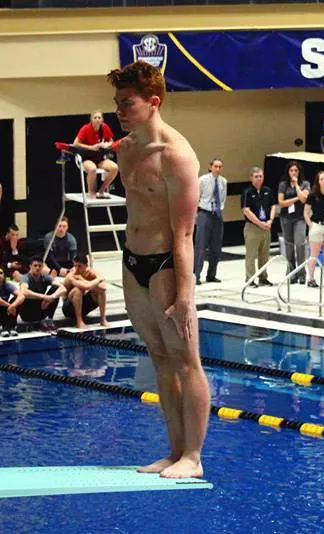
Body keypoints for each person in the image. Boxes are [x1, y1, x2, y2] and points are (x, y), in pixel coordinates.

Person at [109, 60, 209, 478]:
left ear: (153, 102)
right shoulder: (125, 148)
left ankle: (194, 457)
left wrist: (185, 298)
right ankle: (173, 452)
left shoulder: (178, 156)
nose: (119, 110)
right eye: (116, 103)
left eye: (126, 103)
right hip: (132, 262)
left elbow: (183, 236)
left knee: (187, 360)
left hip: (167, 264)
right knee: (159, 358)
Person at [193, 157, 227, 285]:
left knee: (216, 247)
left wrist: (219, 209)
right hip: (204, 213)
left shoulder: (223, 181)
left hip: (217, 214)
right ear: (210, 167)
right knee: (201, 246)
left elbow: (222, 198)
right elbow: (196, 196)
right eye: (216, 166)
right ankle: (196, 275)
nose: (218, 169)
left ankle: (211, 274)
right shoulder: (202, 180)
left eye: (220, 166)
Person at [240, 166, 274, 288]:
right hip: (253, 227)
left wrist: (270, 220)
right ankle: (250, 278)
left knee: (264, 254)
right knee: (251, 254)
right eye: (256, 177)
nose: (259, 179)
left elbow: (273, 206)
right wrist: (259, 223)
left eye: (260, 176)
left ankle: (263, 277)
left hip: (266, 226)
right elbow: (246, 210)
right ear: (251, 178)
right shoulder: (247, 192)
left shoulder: (267, 190)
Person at [277, 161, 310, 284]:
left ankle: (302, 272)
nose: (294, 173)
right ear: (288, 172)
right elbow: (281, 202)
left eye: (296, 170)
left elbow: (304, 199)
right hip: (286, 217)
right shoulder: (283, 185)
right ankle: (291, 272)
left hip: (300, 218)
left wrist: (296, 186)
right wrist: (296, 198)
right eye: (291, 171)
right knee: (289, 245)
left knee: (300, 243)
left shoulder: (305, 184)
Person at [73, 110, 118, 199]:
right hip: (86, 158)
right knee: (92, 169)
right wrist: (91, 147)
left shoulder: (105, 127)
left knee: (114, 168)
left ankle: (102, 189)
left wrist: (106, 144)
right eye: (95, 118)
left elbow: (111, 141)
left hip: (100, 158)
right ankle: (91, 192)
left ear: (102, 120)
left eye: (99, 117)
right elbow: (75, 143)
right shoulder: (85, 128)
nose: (97, 119)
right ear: (91, 119)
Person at [304, 171, 324, 288]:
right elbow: (306, 212)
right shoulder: (313, 195)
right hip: (317, 225)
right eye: (322, 179)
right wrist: (310, 225)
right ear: (318, 181)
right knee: (314, 254)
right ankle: (311, 278)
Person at [61, 255, 108, 329]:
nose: (76, 269)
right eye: (75, 266)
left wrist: (83, 280)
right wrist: (98, 280)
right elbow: (85, 287)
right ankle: (79, 321)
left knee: (101, 292)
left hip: (84, 306)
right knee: (77, 290)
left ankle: (103, 319)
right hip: (69, 309)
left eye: (79, 266)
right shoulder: (71, 275)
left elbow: (104, 288)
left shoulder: (92, 272)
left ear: (86, 265)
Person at [19, 257, 64, 331]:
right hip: (27, 312)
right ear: (30, 266)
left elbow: (63, 288)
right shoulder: (25, 278)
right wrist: (44, 297)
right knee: (27, 294)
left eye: (40, 266)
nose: (37, 268)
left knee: (55, 289)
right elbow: (24, 291)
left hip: (41, 308)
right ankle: (36, 321)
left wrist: (51, 297)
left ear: (42, 267)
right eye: (35, 265)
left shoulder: (45, 277)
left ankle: (49, 319)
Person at [0, 267, 24, 337]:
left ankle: (11, 326)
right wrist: (10, 306)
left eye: (1, 273)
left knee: (17, 300)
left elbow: (22, 296)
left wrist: (13, 305)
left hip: (6, 310)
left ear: (4, 275)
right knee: (3, 303)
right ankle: (3, 327)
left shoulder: (7, 285)